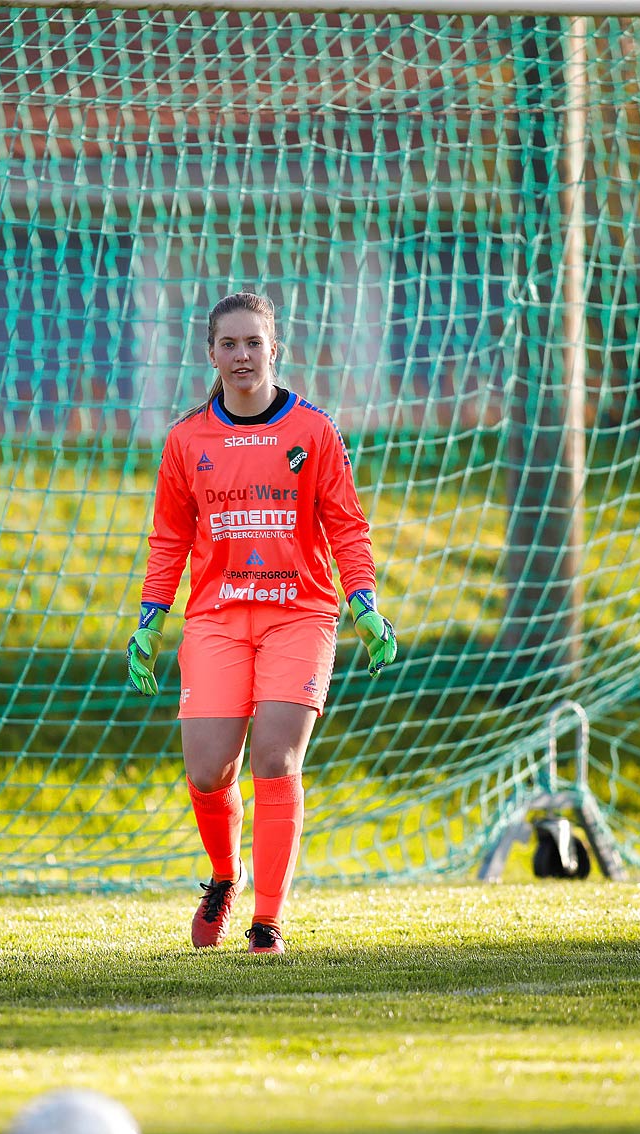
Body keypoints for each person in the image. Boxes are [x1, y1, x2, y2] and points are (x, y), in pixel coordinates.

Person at [126, 292, 398, 955]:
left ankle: (266, 921)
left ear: (275, 348)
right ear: (211, 353)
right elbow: (169, 538)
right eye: (229, 344)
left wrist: (361, 600)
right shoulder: (188, 439)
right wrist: (150, 619)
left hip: (299, 615)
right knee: (210, 769)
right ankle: (225, 875)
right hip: (217, 618)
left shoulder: (314, 431)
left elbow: (346, 527)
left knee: (277, 759)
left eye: (254, 343)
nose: (242, 356)